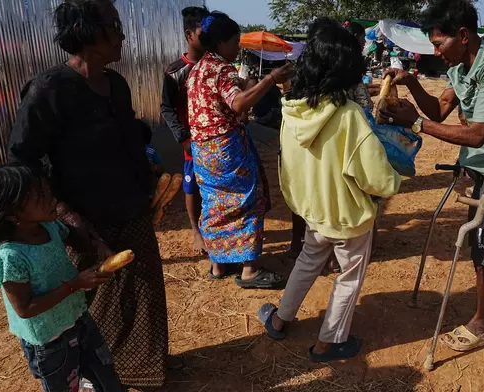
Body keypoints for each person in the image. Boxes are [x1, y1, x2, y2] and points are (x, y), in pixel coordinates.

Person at [8, 0, 169, 387]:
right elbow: (22, 159)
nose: (123, 34)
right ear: (88, 32)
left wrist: (150, 175)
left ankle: (145, 370)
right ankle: (96, 374)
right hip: (82, 219)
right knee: (94, 303)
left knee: (142, 293)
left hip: (132, 207)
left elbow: (128, 136)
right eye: (114, 25)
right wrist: (66, 217)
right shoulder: (50, 89)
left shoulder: (116, 83)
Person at [382, 0, 484, 352]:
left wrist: (418, 124)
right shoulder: (460, 68)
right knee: (479, 243)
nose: (436, 51)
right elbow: (440, 108)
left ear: (463, 36)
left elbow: (479, 134)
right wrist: (411, 83)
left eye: (439, 44)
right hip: (480, 165)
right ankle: (481, 310)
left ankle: (481, 323)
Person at [258, 18, 401, 362]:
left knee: (308, 262)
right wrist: (393, 182)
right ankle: (329, 342)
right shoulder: (349, 115)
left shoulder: (293, 108)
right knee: (348, 278)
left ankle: (279, 319)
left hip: (313, 209)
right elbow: (375, 177)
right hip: (349, 215)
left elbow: (286, 163)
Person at [0, 164, 122, 392]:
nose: (51, 200)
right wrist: (74, 285)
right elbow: (25, 308)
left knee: (107, 381)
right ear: (13, 214)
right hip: (49, 342)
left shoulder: (50, 227)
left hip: (78, 320)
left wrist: (97, 246)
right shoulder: (11, 257)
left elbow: (77, 241)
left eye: (48, 192)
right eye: (41, 196)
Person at [187, 10, 294, 287]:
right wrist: (270, 80)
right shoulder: (222, 68)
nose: (237, 48)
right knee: (248, 200)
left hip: (203, 149)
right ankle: (249, 269)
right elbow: (237, 104)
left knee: (215, 203)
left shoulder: (198, 68)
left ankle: (218, 264)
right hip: (227, 149)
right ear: (222, 42)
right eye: (235, 42)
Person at [161, 6, 209, 257]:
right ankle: (196, 231)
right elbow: (166, 108)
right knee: (192, 187)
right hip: (192, 142)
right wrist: (183, 137)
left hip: (215, 141)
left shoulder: (216, 66)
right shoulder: (175, 71)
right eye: (204, 31)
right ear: (190, 35)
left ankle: (214, 228)